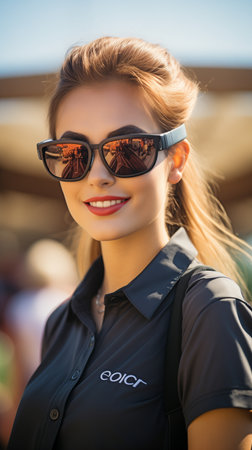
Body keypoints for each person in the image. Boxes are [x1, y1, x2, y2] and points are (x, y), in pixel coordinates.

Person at [8, 37, 252, 450]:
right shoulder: (61, 322)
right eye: (72, 152)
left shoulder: (210, 309)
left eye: (128, 149)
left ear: (176, 161)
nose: (97, 175)